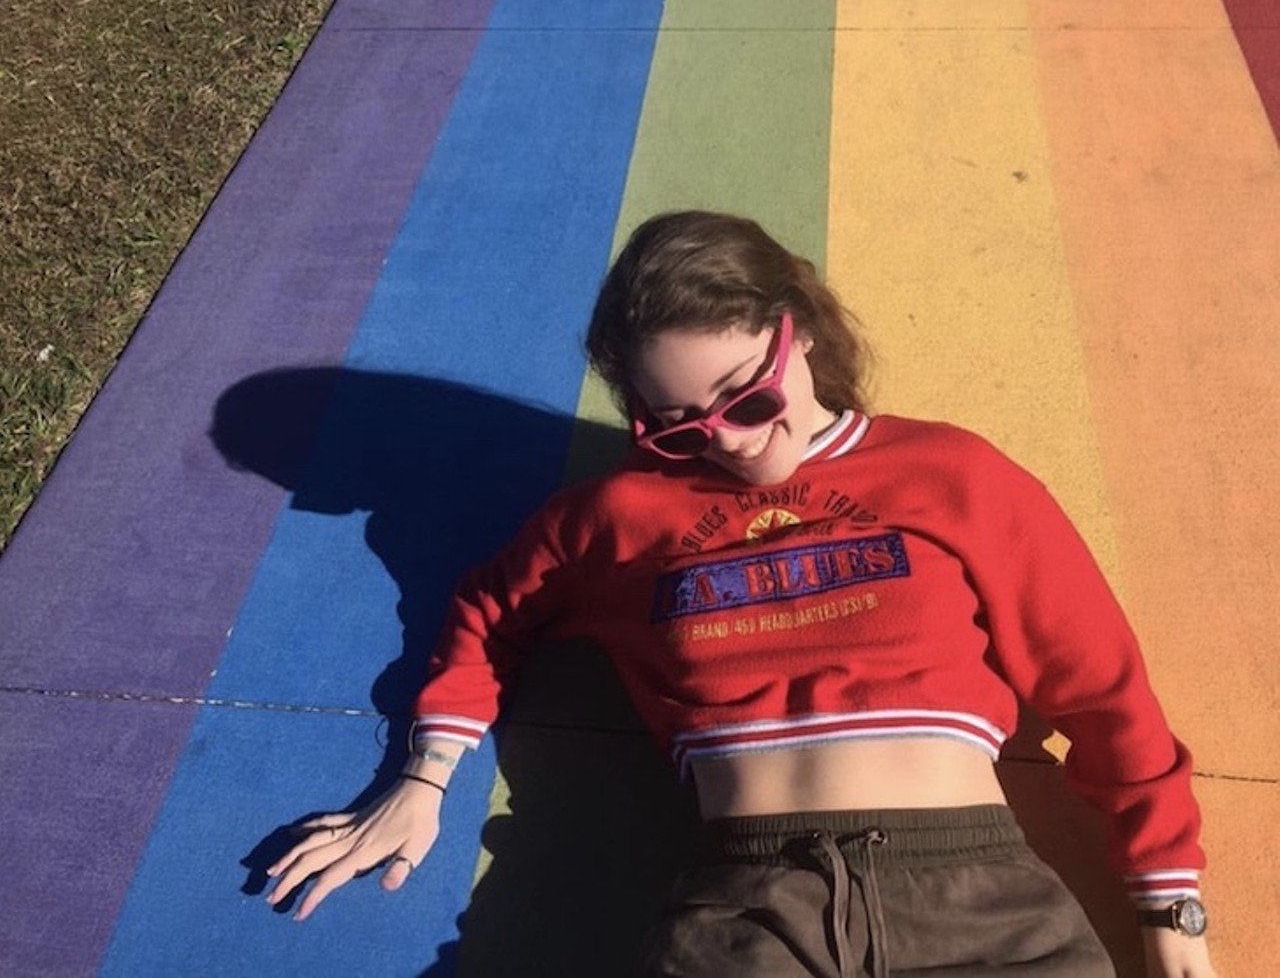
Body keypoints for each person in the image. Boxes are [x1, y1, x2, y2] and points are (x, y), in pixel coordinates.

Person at [266, 211, 1217, 977]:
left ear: (797, 331)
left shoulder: (950, 472)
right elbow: (489, 612)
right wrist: (424, 777)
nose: (729, 441)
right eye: (675, 425)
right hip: (747, 910)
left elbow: (1102, 686)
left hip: (979, 897)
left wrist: (1169, 898)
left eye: (747, 397)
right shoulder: (624, 513)